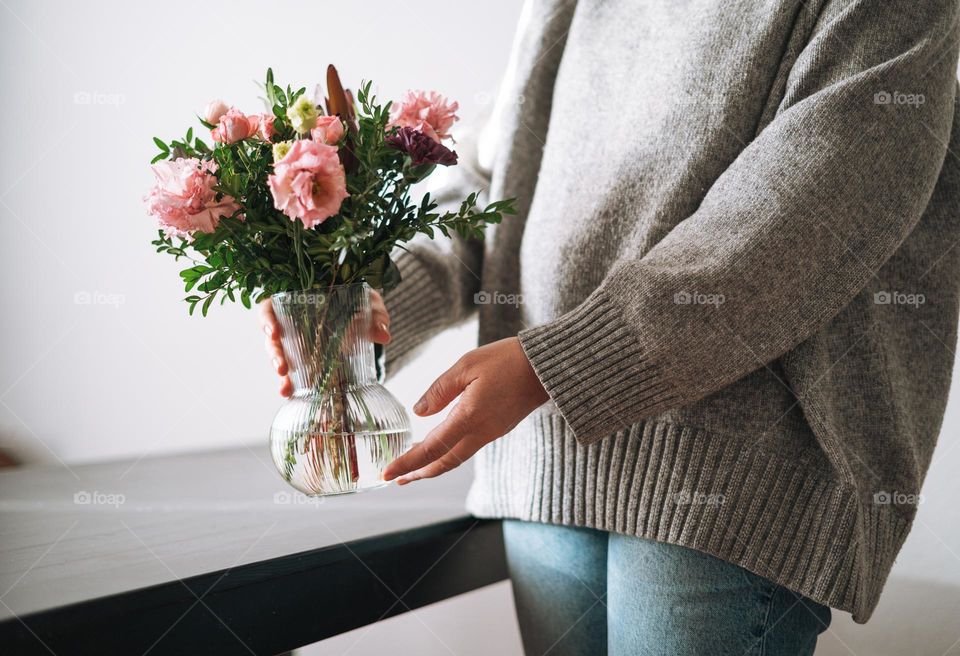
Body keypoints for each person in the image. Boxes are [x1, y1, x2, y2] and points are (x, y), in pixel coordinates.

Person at [260, 0, 960, 653]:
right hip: (545, 452)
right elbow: (492, 184)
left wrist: (557, 366)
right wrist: (371, 305)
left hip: (731, 469)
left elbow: (811, 212)